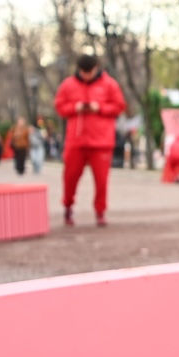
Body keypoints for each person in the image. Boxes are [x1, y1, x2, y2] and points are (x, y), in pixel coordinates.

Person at [55, 54, 127, 227]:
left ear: (96, 68)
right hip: (76, 141)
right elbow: (59, 106)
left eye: (90, 71)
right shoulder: (68, 85)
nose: (87, 75)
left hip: (101, 141)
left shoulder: (109, 84)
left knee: (102, 181)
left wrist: (100, 107)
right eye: (84, 72)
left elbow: (119, 106)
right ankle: (68, 207)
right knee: (70, 177)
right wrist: (75, 107)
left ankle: (100, 212)